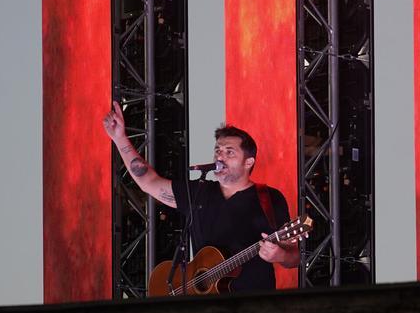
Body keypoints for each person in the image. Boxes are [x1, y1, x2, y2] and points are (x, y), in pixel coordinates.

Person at [102, 101, 299, 292]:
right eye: (218, 151)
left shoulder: (268, 198)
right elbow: (149, 182)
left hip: (254, 306)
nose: (220, 157)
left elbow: (294, 257)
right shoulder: (199, 191)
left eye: (229, 152)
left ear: (248, 162)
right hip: (207, 304)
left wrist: (279, 254)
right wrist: (120, 138)